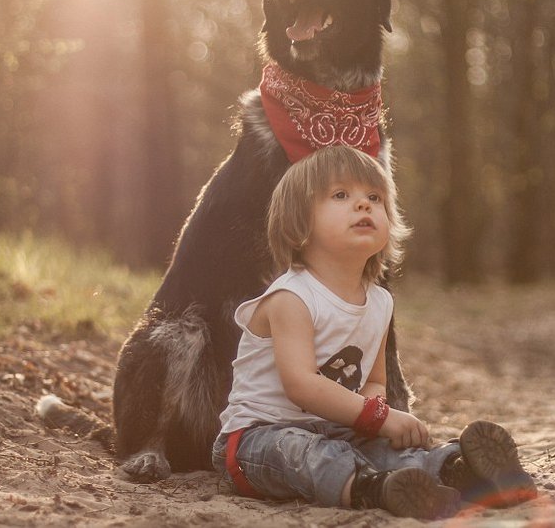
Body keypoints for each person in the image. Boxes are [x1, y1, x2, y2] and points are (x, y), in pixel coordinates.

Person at [211, 145, 537, 519]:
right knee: (308, 454)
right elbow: (301, 385)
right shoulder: (292, 298)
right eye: (340, 195)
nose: (363, 205)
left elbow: (374, 381)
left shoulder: (379, 302)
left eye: (374, 197)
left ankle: (462, 472)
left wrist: (379, 415)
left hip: (341, 430)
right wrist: (378, 419)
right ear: (298, 222)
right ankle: (375, 489)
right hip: (257, 441)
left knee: (386, 451)